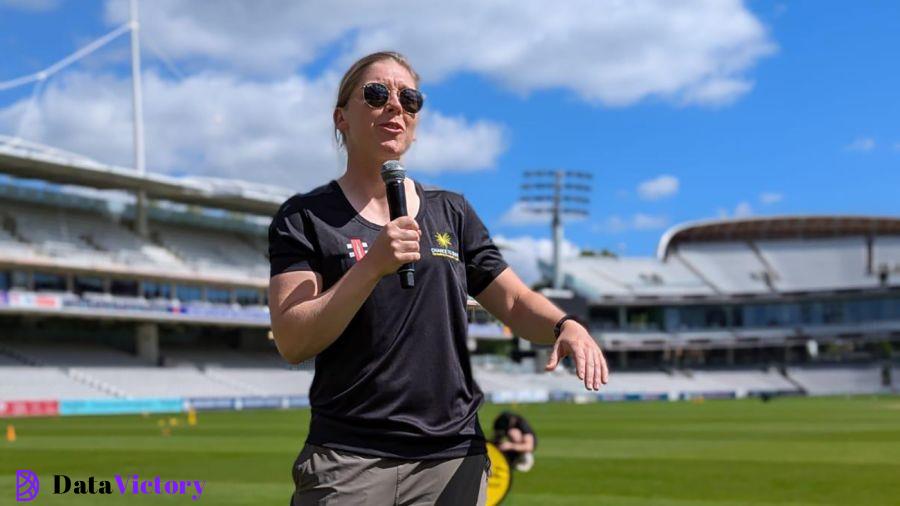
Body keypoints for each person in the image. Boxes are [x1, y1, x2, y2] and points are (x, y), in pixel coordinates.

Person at [268, 50, 609, 506]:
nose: (395, 106)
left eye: (409, 98)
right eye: (376, 94)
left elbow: (512, 300)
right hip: (350, 458)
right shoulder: (305, 217)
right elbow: (294, 340)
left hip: (452, 459)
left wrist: (564, 326)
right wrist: (372, 265)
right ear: (341, 117)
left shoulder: (452, 210)